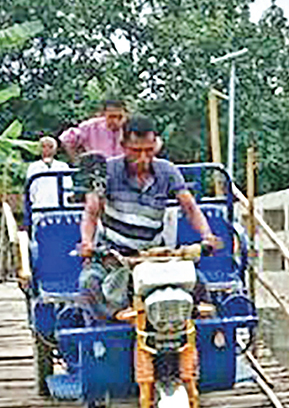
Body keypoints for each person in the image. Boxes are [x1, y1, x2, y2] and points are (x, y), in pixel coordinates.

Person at [77, 114, 220, 318]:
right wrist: (87, 243)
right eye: (136, 151)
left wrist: (208, 236)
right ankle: (114, 323)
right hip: (115, 257)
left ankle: (206, 337)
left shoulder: (167, 171)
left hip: (155, 256)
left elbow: (189, 207)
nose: (143, 158)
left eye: (149, 150)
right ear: (123, 146)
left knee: (199, 285)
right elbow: (91, 211)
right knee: (89, 283)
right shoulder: (107, 171)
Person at [24, 136, 71, 211]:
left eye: (50, 147)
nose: (47, 149)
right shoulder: (33, 167)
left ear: (55, 150)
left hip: (60, 206)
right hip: (40, 206)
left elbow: (68, 187)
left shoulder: (63, 166)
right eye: (43, 146)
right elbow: (31, 190)